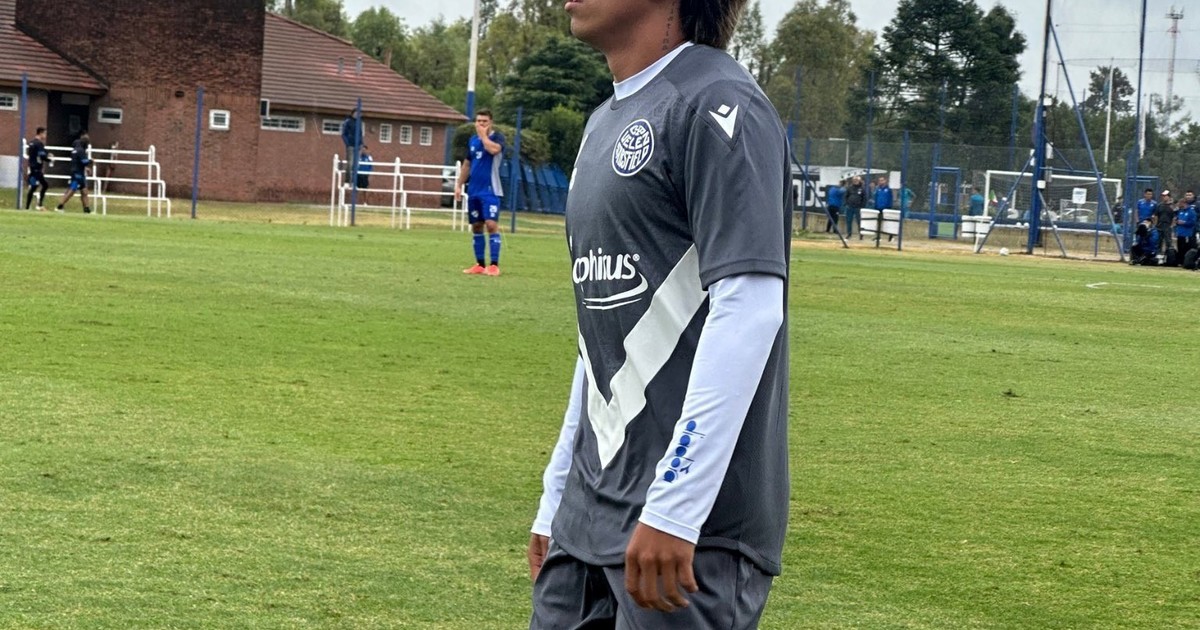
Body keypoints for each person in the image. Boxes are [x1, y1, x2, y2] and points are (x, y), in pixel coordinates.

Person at [528, 0, 791, 626]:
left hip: (686, 534)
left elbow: (750, 308)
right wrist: (557, 490)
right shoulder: (603, 120)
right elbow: (602, 334)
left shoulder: (720, 103)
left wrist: (677, 505)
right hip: (586, 519)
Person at [455, 108, 505, 276]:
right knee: (477, 225)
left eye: (484, 121)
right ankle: (480, 264)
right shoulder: (473, 141)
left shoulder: (497, 138)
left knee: (491, 224)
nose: (481, 124)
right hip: (474, 190)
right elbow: (467, 164)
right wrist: (459, 185)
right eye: (478, 121)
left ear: (491, 123)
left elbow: (494, 150)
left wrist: (484, 136)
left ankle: (494, 265)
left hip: (491, 190)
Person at [55, 131, 93, 214]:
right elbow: (84, 161)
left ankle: (86, 209)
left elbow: (78, 161)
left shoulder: (75, 149)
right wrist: (91, 161)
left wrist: (86, 168)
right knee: (72, 190)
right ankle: (59, 206)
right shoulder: (81, 150)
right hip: (78, 174)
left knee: (84, 191)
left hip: (78, 172)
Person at [24, 127, 51, 211]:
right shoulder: (39, 144)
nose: (45, 135)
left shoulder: (31, 143)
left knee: (35, 186)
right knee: (43, 185)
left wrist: (47, 153)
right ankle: (38, 205)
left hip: (32, 167)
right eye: (45, 133)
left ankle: (28, 207)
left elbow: (40, 152)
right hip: (37, 168)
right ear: (41, 133)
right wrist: (49, 160)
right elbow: (42, 155)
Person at [340, 109, 363, 177]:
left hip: (358, 146)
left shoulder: (359, 122)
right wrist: (348, 143)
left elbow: (360, 134)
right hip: (351, 145)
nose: (357, 115)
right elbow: (343, 134)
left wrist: (361, 143)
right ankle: (347, 180)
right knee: (350, 163)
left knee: (356, 164)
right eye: (356, 113)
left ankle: (353, 179)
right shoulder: (348, 121)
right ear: (352, 113)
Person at [1154, 190, 1176, 256]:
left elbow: (1174, 217)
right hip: (1159, 225)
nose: (1163, 197)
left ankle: (1168, 255)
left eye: (1165, 196)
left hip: (1167, 226)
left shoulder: (1172, 206)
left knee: (1168, 242)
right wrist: (1155, 225)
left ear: (1169, 197)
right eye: (1163, 196)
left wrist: (1171, 226)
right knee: (1158, 241)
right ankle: (1158, 255)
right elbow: (1156, 216)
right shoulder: (1159, 205)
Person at [1175, 197, 1196, 262]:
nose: (1179, 204)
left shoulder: (1191, 211)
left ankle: (1185, 261)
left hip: (1187, 234)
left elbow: (1193, 222)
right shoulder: (1180, 211)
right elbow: (1177, 220)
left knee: (1185, 249)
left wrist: (1184, 223)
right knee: (1180, 248)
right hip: (1180, 233)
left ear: (1184, 203)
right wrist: (1177, 222)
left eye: (1180, 203)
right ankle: (1180, 261)